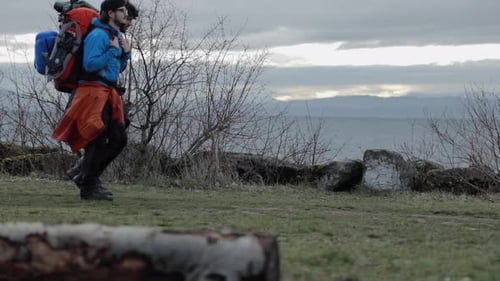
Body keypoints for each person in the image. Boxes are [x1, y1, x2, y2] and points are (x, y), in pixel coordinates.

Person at [52, 0, 136, 201]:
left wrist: (125, 54)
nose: (126, 14)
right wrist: (114, 50)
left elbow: (114, 67)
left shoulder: (113, 36)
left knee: (117, 138)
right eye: (122, 10)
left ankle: (85, 176)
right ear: (109, 13)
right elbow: (90, 64)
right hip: (92, 92)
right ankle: (88, 184)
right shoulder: (98, 35)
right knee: (97, 139)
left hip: (106, 92)